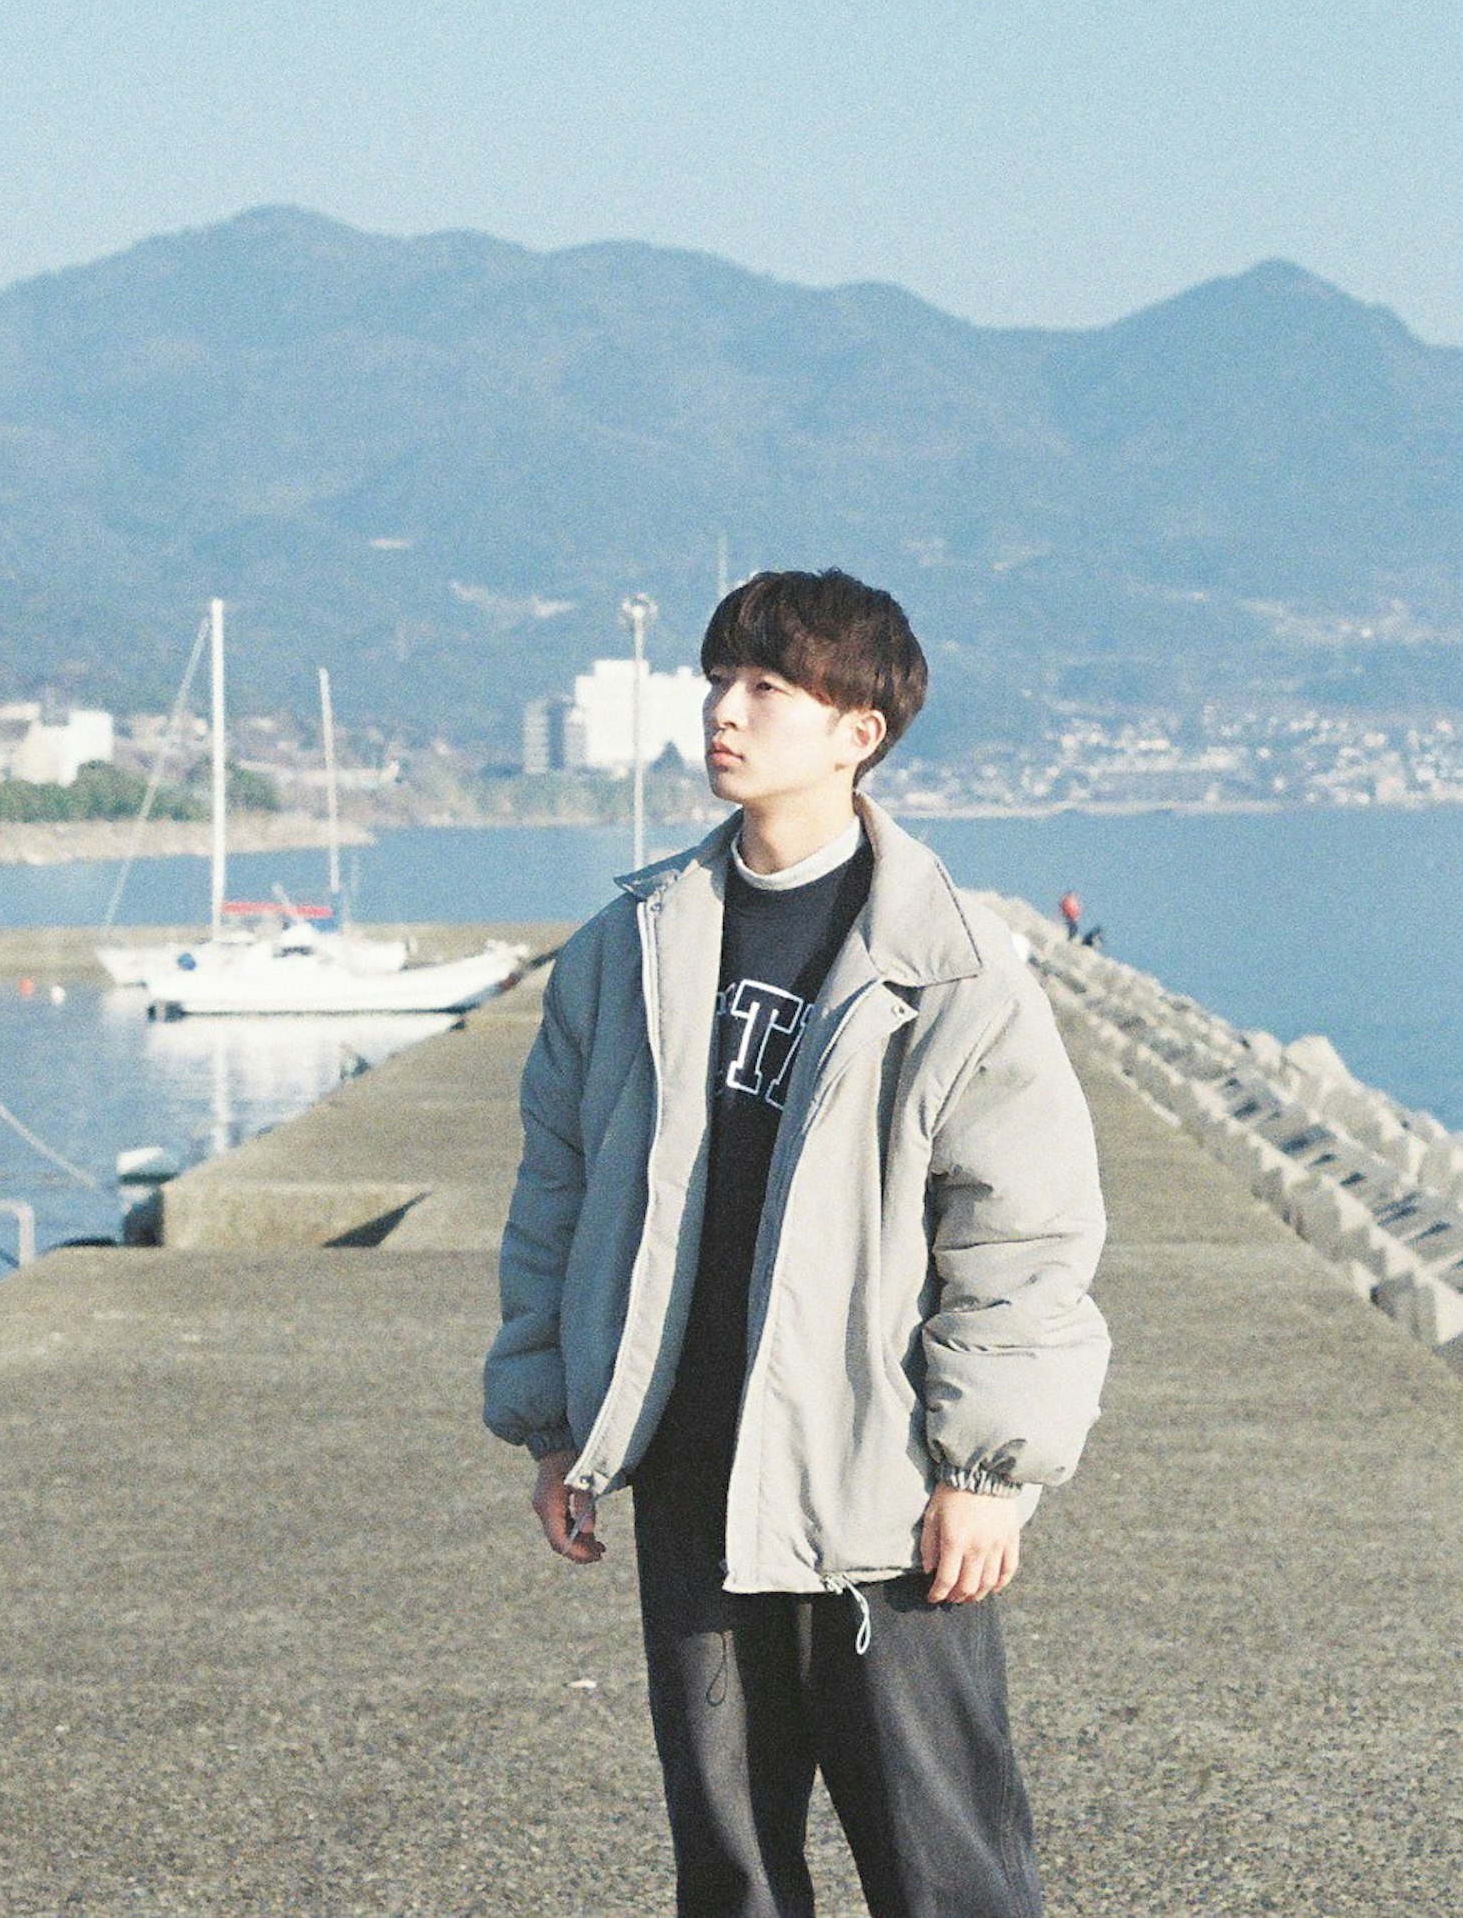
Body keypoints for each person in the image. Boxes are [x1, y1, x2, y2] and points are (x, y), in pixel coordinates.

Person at [485, 569, 1111, 1918]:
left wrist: (988, 1472)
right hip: (694, 1458)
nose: (725, 711)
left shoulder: (951, 964)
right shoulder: (628, 946)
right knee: (731, 1855)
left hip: (874, 1483)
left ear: (857, 731)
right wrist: (557, 1425)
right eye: (718, 681)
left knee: (941, 1854)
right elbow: (557, 1197)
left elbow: (1023, 1229)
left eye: (769, 687)